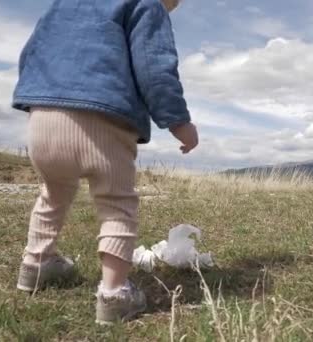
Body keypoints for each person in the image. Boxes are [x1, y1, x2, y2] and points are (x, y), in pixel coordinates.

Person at [11, 0, 197, 325]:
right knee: (117, 204)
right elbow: (154, 65)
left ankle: (35, 264)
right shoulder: (145, 4)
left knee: (51, 195)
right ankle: (114, 294)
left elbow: (31, 52)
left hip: (43, 115)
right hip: (107, 116)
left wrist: (35, 98)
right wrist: (178, 122)